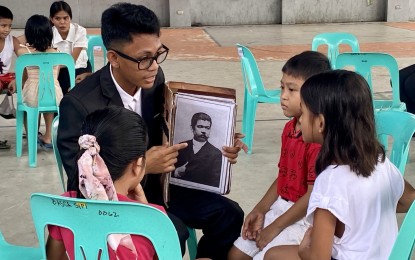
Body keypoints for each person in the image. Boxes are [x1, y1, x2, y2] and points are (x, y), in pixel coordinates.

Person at [57, 3, 246, 259]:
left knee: (230, 215)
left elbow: (168, 129)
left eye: (158, 54)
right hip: (118, 199)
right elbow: (78, 182)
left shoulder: (152, 79)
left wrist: (220, 143)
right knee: (172, 232)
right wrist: (145, 165)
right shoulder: (79, 105)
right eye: (144, 58)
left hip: (163, 185)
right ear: (113, 57)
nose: (154, 66)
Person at [292, 70, 408, 260]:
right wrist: (366, 213)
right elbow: (409, 201)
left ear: (320, 123)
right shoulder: (380, 162)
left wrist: (304, 252)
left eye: (302, 112)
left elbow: (318, 258)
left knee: (272, 255)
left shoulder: (330, 182)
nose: (300, 119)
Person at [228, 51, 331, 260]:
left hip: (303, 219)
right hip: (281, 207)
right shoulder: (289, 129)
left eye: (292, 89)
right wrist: (260, 210)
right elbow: (283, 174)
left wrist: (274, 228)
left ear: (314, 94)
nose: (283, 95)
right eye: (282, 87)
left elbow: (312, 195)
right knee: (236, 255)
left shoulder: (317, 141)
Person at [47, 106, 166, 260]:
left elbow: (52, 257)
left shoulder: (63, 205)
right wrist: (146, 208)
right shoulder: (155, 219)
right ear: (138, 164)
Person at [10, 14, 62, 150]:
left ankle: (32, 136)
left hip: (32, 95)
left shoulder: (23, 52)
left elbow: (23, 76)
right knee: (46, 98)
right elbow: (56, 74)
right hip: (54, 95)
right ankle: (48, 136)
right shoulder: (57, 52)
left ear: (29, 34)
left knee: (30, 105)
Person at [49, 1, 92, 93]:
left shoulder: (80, 31)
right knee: (58, 93)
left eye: (66, 18)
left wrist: (55, 67)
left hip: (80, 67)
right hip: (60, 70)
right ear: (51, 19)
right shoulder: (49, 33)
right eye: (57, 18)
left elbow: (71, 61)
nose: (62, 22)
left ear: (70, 18)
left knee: (78, 93)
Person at [174, 112, 223, 187]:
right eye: (200, 126)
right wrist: (176, 172)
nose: (204, 131)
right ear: (192, 128)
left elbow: (215, 183)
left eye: (207, 128)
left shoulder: (216, 154)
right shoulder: (180, 147)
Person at [0, 5, 19, 149]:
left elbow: (26, 60)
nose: (7, 29)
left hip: (6, 77)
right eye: (3, 25)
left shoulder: (12, 41)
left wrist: (18, 78)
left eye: (9, 26)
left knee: (29, 82)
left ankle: (32, 131)